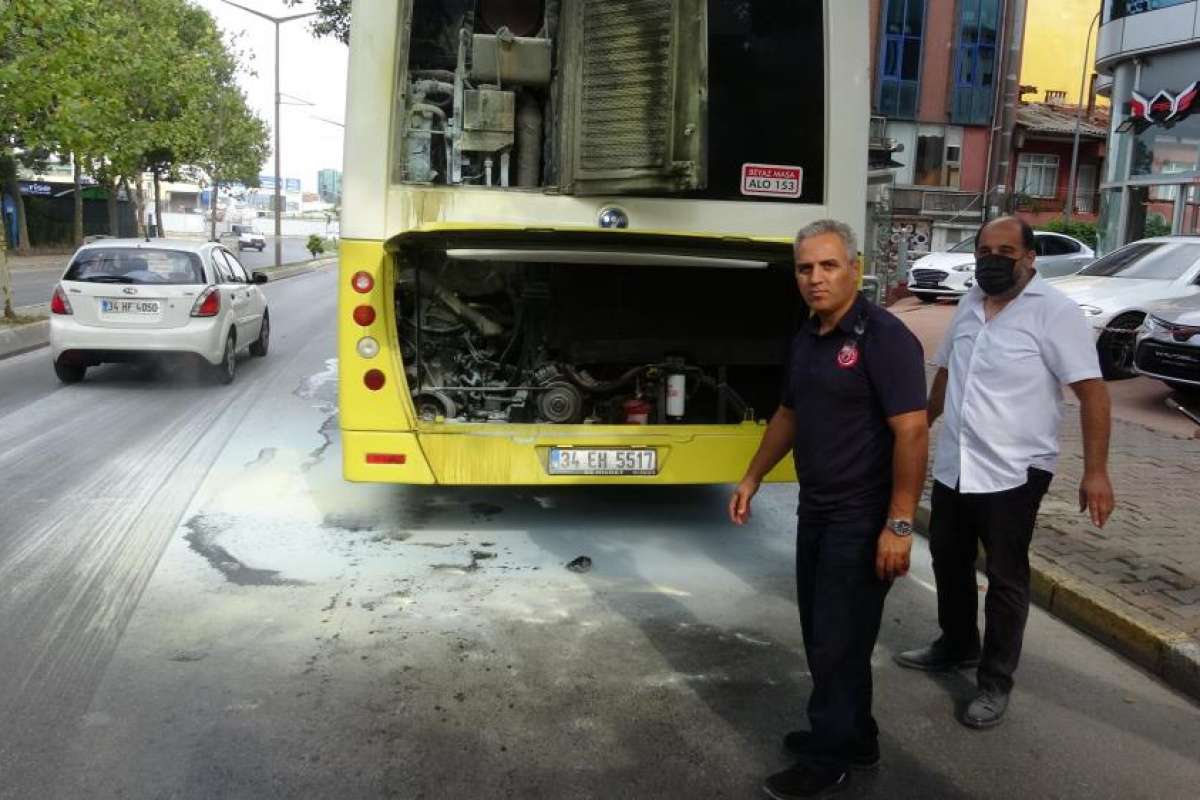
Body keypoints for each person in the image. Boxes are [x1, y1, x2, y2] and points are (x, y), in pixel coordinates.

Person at [730, 220, 928, 799]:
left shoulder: (886, 339)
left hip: (863, 516)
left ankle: (828, 757)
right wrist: (753, 476)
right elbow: (788, 415)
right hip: (816, 510)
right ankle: (856, 735)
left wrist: (899, 523)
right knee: (830, 633)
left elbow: (912, 433)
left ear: (856, 269)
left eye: (828, 266)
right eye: (805, 268)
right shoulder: (809, 335)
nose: (815, 278)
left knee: (835, 641)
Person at [895, 216, 1115, 729]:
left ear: (1029, 258)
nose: (992, 261)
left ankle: (994, 682)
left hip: (1016, 472)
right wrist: (918, 427)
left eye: (1004, 252)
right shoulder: (970, 304)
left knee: (1006, 578)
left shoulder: (1056, 314)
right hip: (956, 466)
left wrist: (1097, 472)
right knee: (948, 561)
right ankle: (957, 645)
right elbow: (947, 374)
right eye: (984, 251)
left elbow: (1093, 393)